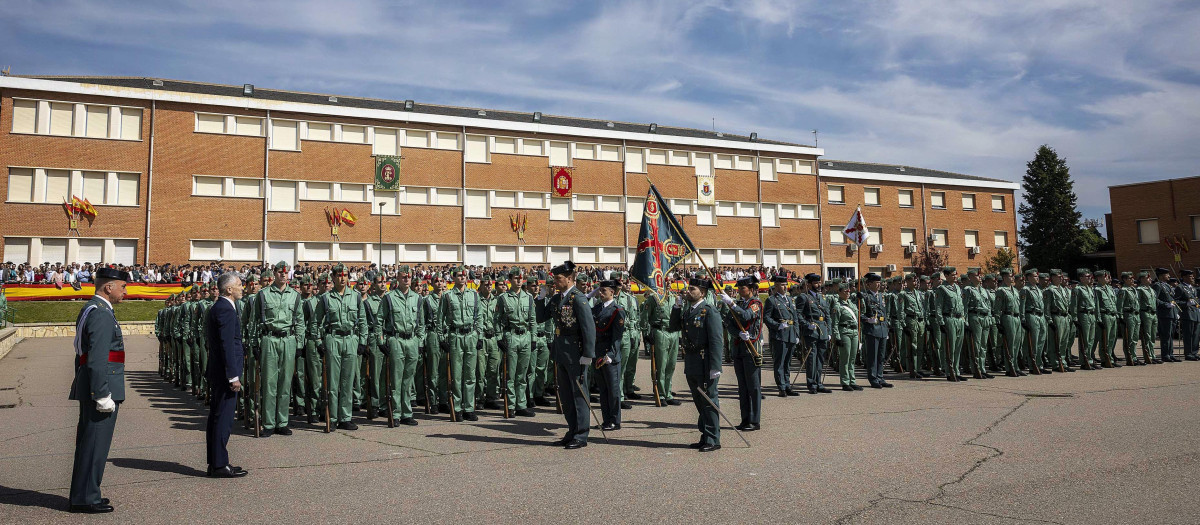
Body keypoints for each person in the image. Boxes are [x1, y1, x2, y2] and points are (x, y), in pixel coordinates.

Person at [68, 267, 129, 514]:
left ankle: (86, 493)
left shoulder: (92, 308)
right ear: (109, 287)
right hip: (102, 388)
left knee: (90, 443)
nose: (126, 291)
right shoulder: (101, 314)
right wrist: (102, 393)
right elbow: (96, 358)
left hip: (93, 384)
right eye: (122, 286)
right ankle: (85, 498)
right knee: (94, 444)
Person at [540, 261, 596, 450]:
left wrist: (587, 354)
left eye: (558, 278)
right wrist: (541, 298)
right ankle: (572, 430)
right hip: (561, 353)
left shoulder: (578, 299)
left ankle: (581, 434)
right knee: (566, 395)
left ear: (570, 278)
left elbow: (588, 328)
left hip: (576, 353)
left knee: (579, 395)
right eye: (554, 278)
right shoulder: (557, 299)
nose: (555, 282)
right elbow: (541, 317)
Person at [311, 263, 368, 430]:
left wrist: (362, 342)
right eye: (338, 275)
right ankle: (333, 417)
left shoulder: (356, 297)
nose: (342, 278)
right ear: (333, 277)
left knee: (348, 381)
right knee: (333, 382)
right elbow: (315, 322)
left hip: (350, 339)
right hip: (333, 339)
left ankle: (346, 417)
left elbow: (363, 321)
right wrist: (319, 342)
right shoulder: (326, 298)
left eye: (344, 275)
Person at [671, 277, 724, 452]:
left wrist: (716, 367)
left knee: (709, 400)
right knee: (699, 401)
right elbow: (673, 327)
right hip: (692, 361)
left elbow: (716, 340)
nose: (688, 291)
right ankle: (705, 435)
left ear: (702, 293)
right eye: (688, 288)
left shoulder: (709, 311)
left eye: (692, 289)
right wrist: (676, 307)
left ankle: (713, 439)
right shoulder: (688, 311)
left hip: (705, 361)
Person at [204, 272, 248, 478]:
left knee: (218, 416)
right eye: (239, 285)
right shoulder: (225, 310)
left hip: (220, 372)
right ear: (229, 289)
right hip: (225, 374)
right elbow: (227, 346)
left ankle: (217, 461)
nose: (243, 288)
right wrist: (233, 376)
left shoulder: (222, 308)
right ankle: (219, 465)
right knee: (223, 418)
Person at [377, 266, 424, 425]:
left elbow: (421, 323)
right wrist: (381, 341)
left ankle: (407, 413)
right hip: (396, 340)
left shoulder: (417, 298)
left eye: (409, 277)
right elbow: (379, 321)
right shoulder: (389, 298)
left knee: (408, 380)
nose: (407, 279)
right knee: (396, 380)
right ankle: (396, 413)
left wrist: (420, 341)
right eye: (404, 277)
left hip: (412, 340)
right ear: (397, 278)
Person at [724, 275, 763, 430]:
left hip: (751, 349)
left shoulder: (756, 303)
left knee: (753, 386)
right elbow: (728, 322)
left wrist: (732, 304)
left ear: (751, 290)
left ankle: (754, 420)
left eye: (742, 288)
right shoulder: (739, 304)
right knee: (742, 386)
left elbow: (747, 316)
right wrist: (737, 333)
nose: (739, 291)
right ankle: (745, 419)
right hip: (739, 347)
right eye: (738, 288)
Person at [591, 279, 625, 430]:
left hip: (609, 355)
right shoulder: (597, 308)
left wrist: (611, 354)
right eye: (600, 290)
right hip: (598, 353)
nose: (600, 293)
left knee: (613, 390)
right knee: (603, 390)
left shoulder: (617, 310)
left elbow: (617, 337)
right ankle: (606, 419)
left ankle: (615, 420)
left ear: (612, 292)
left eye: (604, 291)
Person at [763, 275, 800, 396]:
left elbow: (795, 318)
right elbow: (766, 318)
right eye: (782, 285)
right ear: (777, 286)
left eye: (786, 284)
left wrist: (797, 333)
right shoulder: (771, 300)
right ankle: (781, 387)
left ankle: (787, 384)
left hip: (790, 333)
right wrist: (777, 325)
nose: (785, 287)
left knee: (788, 362)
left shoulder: (789, 300)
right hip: (780, 334)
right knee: (780, 362)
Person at [860, 273, 893, 388]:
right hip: (873, 329)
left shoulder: (881, 296)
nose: (879, 285)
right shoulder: (865, 296)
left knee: (881, 356)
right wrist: (868, 320)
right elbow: (859, 314)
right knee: (873, 356)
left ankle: (880, 377)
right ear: (869, 284)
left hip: (882, 328)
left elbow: (885, 312)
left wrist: (887, 328)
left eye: (880, 282)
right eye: (876, 283)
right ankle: (873, 378)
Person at [1153, 268, 1180, 362]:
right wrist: (1165, 304)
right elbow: (1155, 299)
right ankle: (1165, 355)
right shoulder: (1157, 285)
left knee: (1171, 335)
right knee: (1166, 335)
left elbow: (1173, 300)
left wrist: (1176, 312)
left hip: (1171, 314)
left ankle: (1170, 353)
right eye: (1166, 274)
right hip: (1164, 314)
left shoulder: (1167, 286)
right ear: (1161, 276)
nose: (1169, 276)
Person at [1174, 270, 1199, 360]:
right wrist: (1186, 303)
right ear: (1184, 277)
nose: (1192, 278)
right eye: (1190, 276)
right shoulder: (1180, 287)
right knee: (1188, 334)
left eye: (1192, 276)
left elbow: (1196, 301)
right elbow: (1176, 301)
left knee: (1196, 335)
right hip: (1187, 314)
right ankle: (1188, 353)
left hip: (1196, 314)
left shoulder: (1193, 288)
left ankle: (1194, 352)